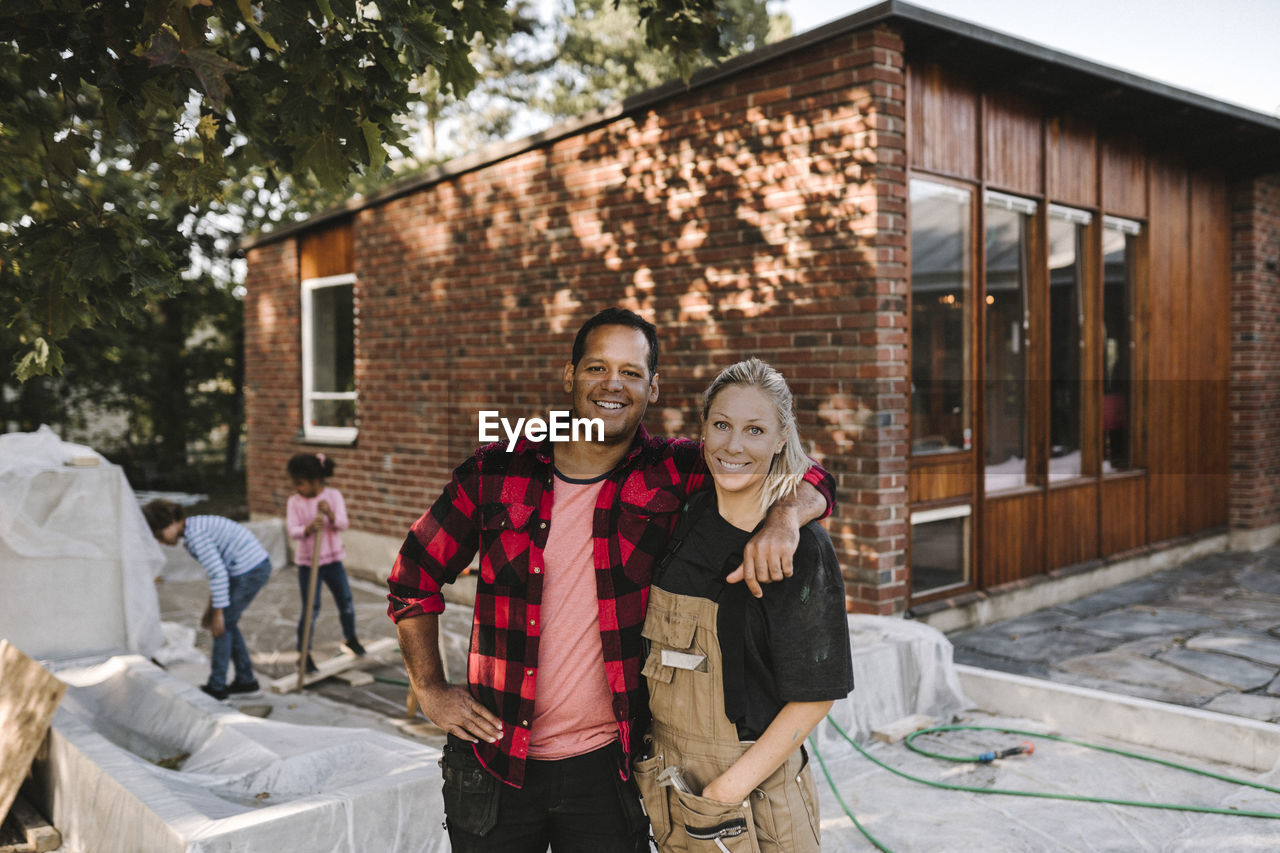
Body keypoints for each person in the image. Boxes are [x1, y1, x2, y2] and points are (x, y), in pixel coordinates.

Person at [387, 308, 836, 853]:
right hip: (494, 758)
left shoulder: (674, 467)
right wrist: (430, 690)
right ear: (569, 374)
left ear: (652, 385)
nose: (613, 384)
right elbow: (413, 576)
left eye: (630, 371)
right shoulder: (497, 467)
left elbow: (802, 469)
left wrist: (785, 519)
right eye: (597, 367)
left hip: (611, 767)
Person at [633, 358, 854, 853]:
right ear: (704, 431)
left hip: (750, 800)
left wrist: (721, 795)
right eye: (722, 426)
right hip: (669, 783)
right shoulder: (689, 515)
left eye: (755, 430)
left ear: (781, 440)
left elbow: (816, 695)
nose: (734, 446)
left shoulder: (801, 547)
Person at [142, 500, 272, 701]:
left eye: (160, 534)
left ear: (172, 521)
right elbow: (220, 572)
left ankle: (217, 687)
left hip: (250, 571)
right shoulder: (195, 529)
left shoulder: (196, 537)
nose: (160, 541)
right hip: (245, 570)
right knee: (226, 624)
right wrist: (211, 610)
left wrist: (217, 613)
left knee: (222, 627)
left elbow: (219, 574)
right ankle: (246, 682)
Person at [286, 452, 364, 674]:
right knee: (311, 608)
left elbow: (343, 524)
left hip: (332, 561)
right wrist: (308, 528)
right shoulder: (295, 501)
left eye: (300, 483)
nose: (297, 487)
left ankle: (350, 638)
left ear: (316, 480)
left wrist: (330, 514)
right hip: (308, 564)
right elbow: (293, 530)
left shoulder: (333, 496)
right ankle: (304, 655)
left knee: (345, 600)